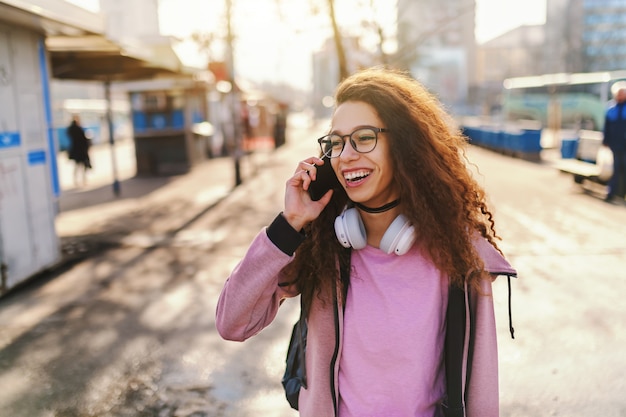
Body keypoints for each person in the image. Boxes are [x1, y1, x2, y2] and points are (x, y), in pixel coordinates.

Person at [216, 67, 517, 417]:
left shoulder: (459, 254)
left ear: (405, 145)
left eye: (363, 137)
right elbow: (232, 323)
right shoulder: (321, 246)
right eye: (336, 142)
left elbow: (481, 391)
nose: (345, 155)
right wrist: (289, 225)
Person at [602, 81, 626, 201]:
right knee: (616, 170)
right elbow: (606, 127)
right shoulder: (611, 109)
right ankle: (612, 194)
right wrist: (605, 141)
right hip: (615, 145)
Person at [66, 115, 92, 186]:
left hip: (76, 150)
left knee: (77, 166)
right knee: (82, 165)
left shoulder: (71, 129)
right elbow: (84, 140)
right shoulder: (79, 129)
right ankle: (83, 180)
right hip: (81, 150)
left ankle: (77, 180)